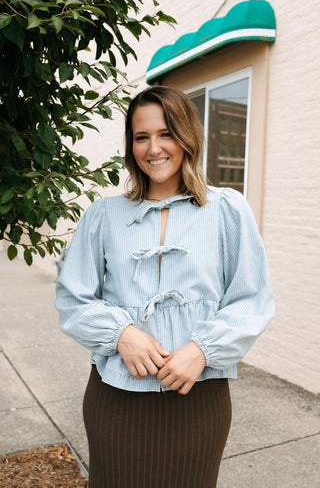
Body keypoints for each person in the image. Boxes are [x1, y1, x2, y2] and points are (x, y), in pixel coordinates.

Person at [55, 85, 274, 488]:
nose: (153, 148)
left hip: (199, 399)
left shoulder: (227, 209)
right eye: (141, 137)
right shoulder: (103, 215)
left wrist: (202, 350)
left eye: (166, 133)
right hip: (116, 400)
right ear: (131, 145)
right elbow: (73, 299)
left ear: (187, 136)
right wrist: (121, 334)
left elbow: (252, 299)